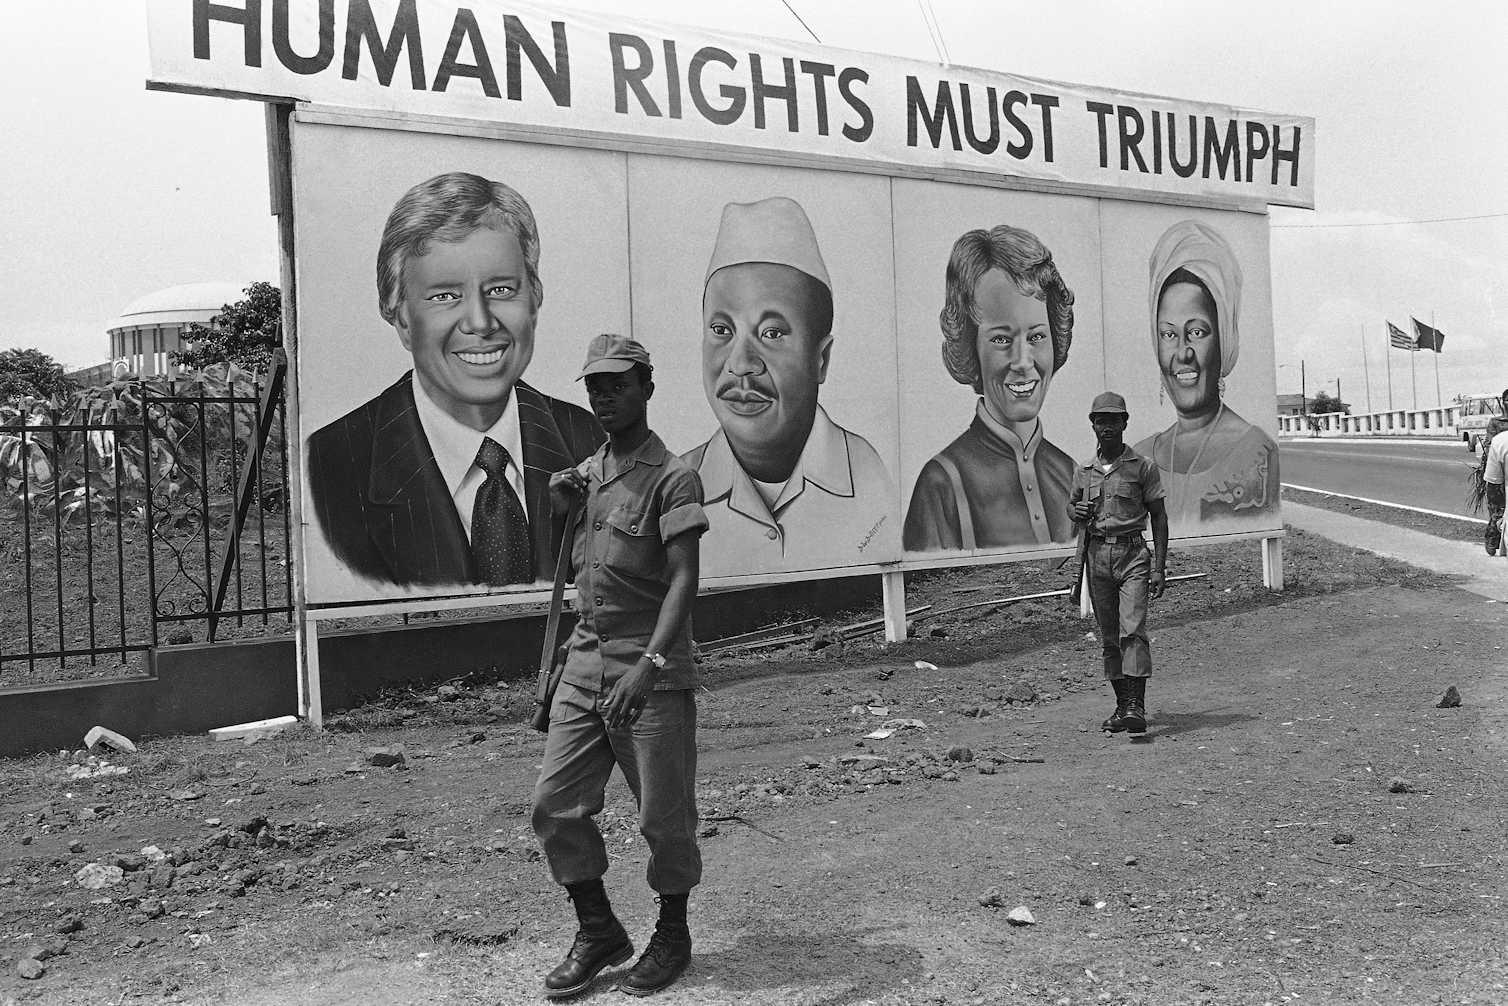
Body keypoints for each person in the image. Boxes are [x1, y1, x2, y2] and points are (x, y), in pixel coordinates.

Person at [306, 172, 602, 589]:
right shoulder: (332, 462)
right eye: (445, 296)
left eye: (501, 289)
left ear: (535, 297)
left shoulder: (589, 437)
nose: (480, 323)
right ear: (401, 315)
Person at [532, 334, 708, 999]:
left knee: (664, 817)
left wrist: (653, 664)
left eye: (617, 385)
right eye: (595, 387)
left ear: (646, 389)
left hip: (650, 667)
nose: (604, 397)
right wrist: (559, 504)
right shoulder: (587, 474)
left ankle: (673, 932)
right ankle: (599, 927)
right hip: (584, 660)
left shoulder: (673, 476)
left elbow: (685, 579)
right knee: (553, 805)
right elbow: (582, 568)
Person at [683, 196, 895, 576]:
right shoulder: (679, 484)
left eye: (772, 332)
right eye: (721, 331)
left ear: (821, 359)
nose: (741, 364)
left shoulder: (869, 476)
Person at [905, 224, 1077, 551]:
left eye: (1037, 336)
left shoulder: (1068, 473)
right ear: (971, 347)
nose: (1023, 361)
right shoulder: (941, 483)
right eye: (1001, 340)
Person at [1133, 220, 1279, 531]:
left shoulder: (1256, 456)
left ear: (1223, 339)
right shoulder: (1140, 457)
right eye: (1168, 334)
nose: (1183, 352)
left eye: (1197, 332)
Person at [1069, 392, 1169, 734]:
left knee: (1133, 631)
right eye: (1101, 420)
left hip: (1133, 557)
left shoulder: (1143, 468)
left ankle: (1136, 706)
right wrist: (1075, 511)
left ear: (1125, 423)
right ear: (1093, 425)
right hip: (1097, 559)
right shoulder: (1083, 472)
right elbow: (1071, 508)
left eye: (1114, 420)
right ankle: (1121, 705)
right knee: (1110, 636)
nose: (1107, 427)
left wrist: (1159, 567)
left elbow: (1159, 516)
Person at [1480, 389, 1508, 556]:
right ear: (1503, 403)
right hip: (1497, 464)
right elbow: (1490, 443)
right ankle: (1493, 532)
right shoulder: (1496, 422)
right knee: (1496, 504)